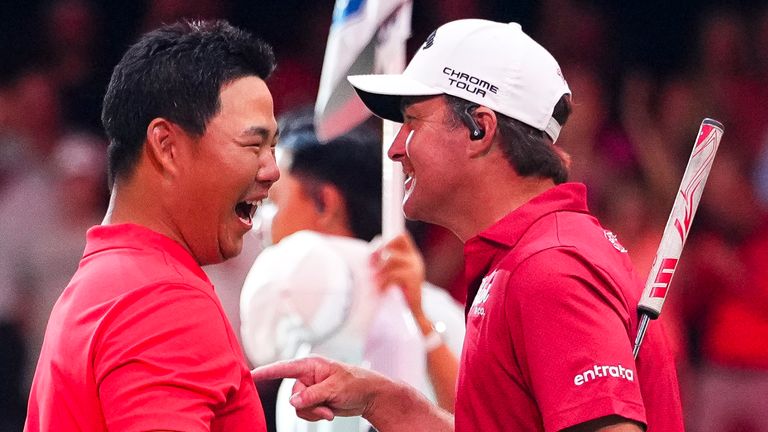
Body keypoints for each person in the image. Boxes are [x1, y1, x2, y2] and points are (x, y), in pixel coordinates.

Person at [252, 19, 684, 432]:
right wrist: (379, 399)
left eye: (412, 122)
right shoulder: (525, 261)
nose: (395, 149)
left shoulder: (550, 268)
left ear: (481, 128)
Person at [25, 20, 279, 431]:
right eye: (253, 145)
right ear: (166, 146)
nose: (272, 170)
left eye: (273, 147)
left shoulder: (110, 283)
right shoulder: (161, 301)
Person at [239, 113, 464, 431]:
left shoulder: (434, 314)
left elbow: (478, 420)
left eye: (274, 201)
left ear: (325, 203)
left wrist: (422, 325)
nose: (259, 226)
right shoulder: (306, 334)